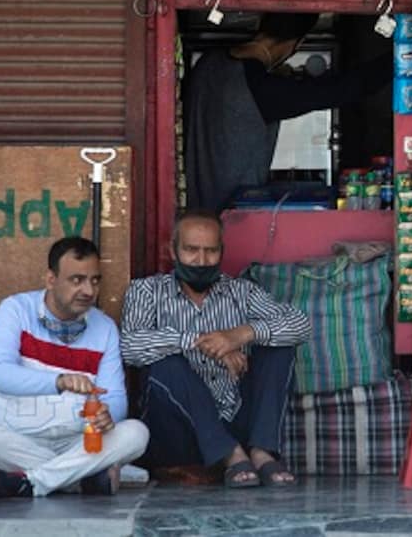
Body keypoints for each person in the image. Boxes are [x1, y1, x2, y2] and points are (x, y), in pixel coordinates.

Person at [120, 208, 311, 488]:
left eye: (210, 251)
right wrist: (203, 341)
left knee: (278, 345)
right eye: (191, 250)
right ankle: (230, 454)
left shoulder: (241, 292)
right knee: (166, 363)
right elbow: (130, 346)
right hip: (177, 432)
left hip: (235, 420)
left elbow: (300, 324)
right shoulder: (146, 292)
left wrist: (241, 335)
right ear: (172, 251)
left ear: (221, 251)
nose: (201, 261)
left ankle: (261, 450)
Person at [0, 237, 149, 499]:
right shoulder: (15, 310)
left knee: (136, 434)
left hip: (80, 442)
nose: (88, 291)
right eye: (77, 280)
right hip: (19, 441)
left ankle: (32, 482)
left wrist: (110, 415)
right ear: (51, 280)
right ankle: (80, 478)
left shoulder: (104, 327)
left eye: (95, 280)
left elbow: (114, 398)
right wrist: (58, 381)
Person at [183, 12, 392, 212]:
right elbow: (348, 88)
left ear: (260, 24)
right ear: (296, 45)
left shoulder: (208, 63)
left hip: (191, 208)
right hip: (234, 215)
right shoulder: (261, 89)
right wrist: (398, 57)